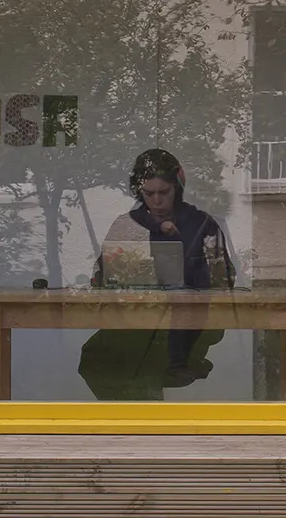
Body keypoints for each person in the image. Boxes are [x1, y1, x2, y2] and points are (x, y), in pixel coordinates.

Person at [79, 148, 236, 398]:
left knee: (144, 357)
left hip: (186, 324)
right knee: (95, 358)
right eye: (148, 194)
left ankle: (143, 421)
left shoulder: (202, 224)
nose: (157, 201)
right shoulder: (125, 225)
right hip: (131, 322)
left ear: (178, 188)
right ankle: (135, 423)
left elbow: (223, 283)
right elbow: (101, 276)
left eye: (164, 192)